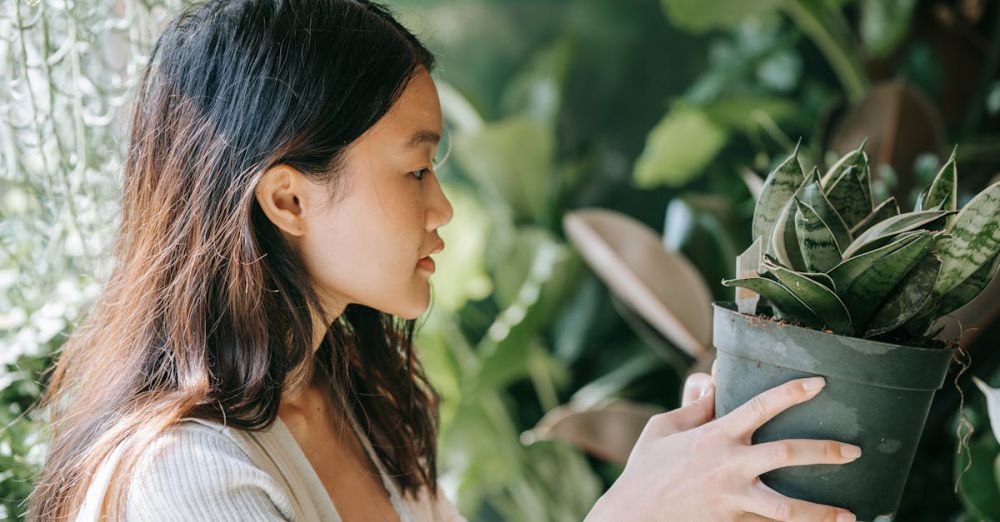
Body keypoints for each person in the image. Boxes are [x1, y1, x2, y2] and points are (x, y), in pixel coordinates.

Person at [26, 0, 861, 520]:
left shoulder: (352, 402)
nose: (443, 207)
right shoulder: (180, 483)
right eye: (417, 168)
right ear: (287, 199)